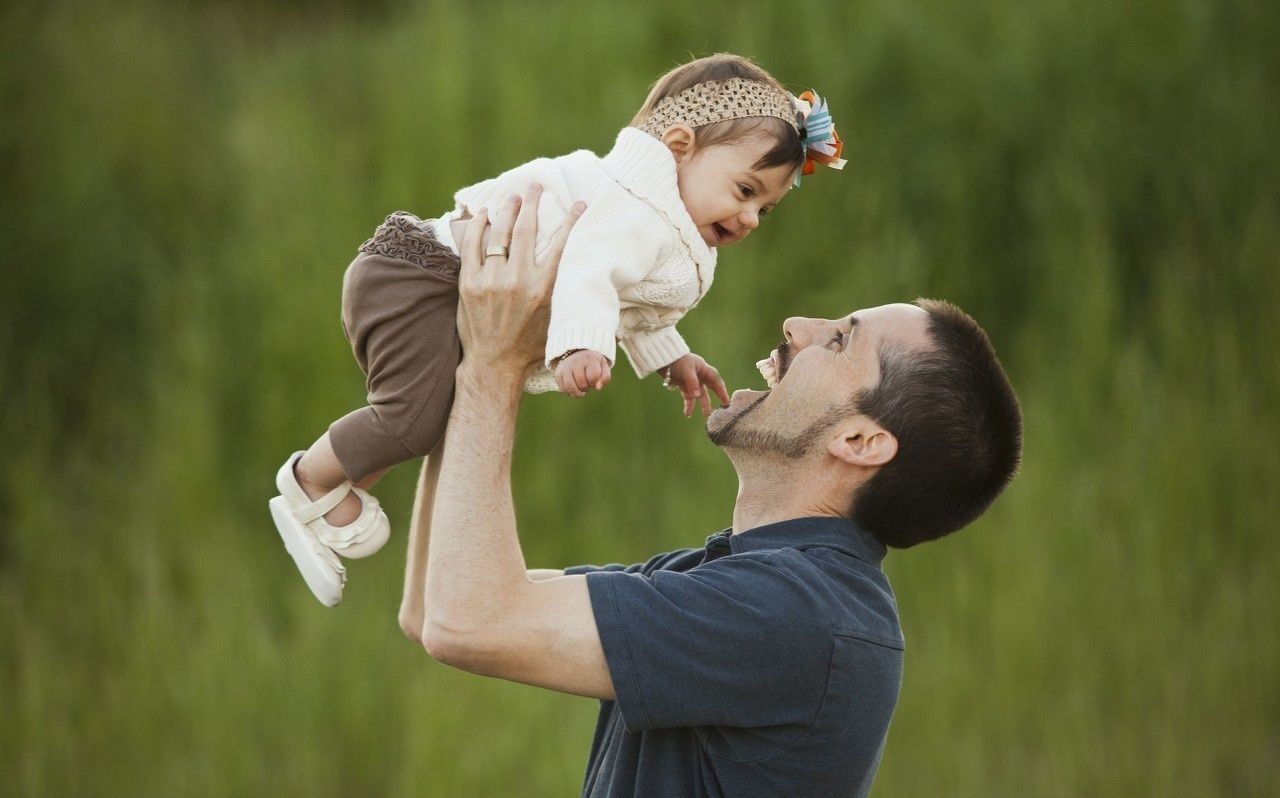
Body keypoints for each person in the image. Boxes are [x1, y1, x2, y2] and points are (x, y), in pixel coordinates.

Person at [399, 186, 1023, 797]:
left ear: (860, 441)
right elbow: (439, 604)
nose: (797, 325)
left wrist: (494, 364)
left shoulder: (795, 615)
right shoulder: (741, 584)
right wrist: (460, 358)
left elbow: (470, 622)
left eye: (839, 339)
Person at [267, 53, 848, 606]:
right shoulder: (635, 207)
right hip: (417, 278)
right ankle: (310, 481)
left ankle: (348, 482)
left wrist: (673, 357)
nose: (749, 218)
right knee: (412, 419)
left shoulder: (660, 217)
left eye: (764, 210)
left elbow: (626, 300)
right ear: (677, 148)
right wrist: (580, 344)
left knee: (436, 410)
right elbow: (587, 270)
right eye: (746, 191)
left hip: (430, 285)